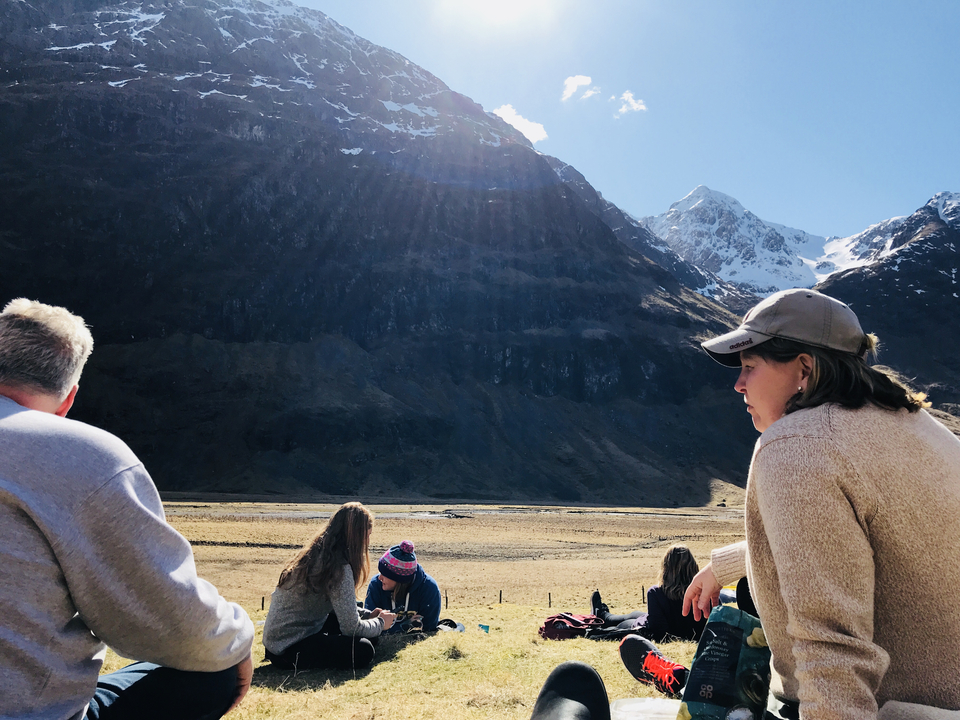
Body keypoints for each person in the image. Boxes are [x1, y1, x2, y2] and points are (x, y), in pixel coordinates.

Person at [681, 288, 960, 719]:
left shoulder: (798, 445)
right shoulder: (917, 426)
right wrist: (728, 564)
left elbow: (833, 648)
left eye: (750, 367)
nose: (737, 384)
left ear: (804, 369)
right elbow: (867, 538)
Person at [0, 298, 254, 720]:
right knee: (214, 671)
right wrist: (239, 641)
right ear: (69, 399)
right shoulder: (78, 453)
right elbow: (175, 624)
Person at [262, 502, 396, 670]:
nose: (368, 542)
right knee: (363, 649)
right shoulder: (339, 567)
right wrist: (381, 623)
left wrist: (369, 616)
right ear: (356, 537)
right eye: (366, 536)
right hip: (289, 648)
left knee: (369, 635)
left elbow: (338, 606)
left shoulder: (316, 555)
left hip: (277, 642)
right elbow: (350, 627)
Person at [591, 544, 722, 643]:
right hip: (687, 631)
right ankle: (602, 614)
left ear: (666, 568)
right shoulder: (707, 593)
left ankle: (604, 616)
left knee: (625, 622)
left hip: (651, 627)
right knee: (635, 613)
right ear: (694, 566)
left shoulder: (656, 593)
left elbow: (658, 631)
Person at [364, 539, 442, 633]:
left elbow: (429, 628)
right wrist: (404, 627)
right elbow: (369, 628)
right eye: (380, 572)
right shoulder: (376, 585)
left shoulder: (429, 588)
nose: (380, 577)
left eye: (385, 574)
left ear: (400, 579)